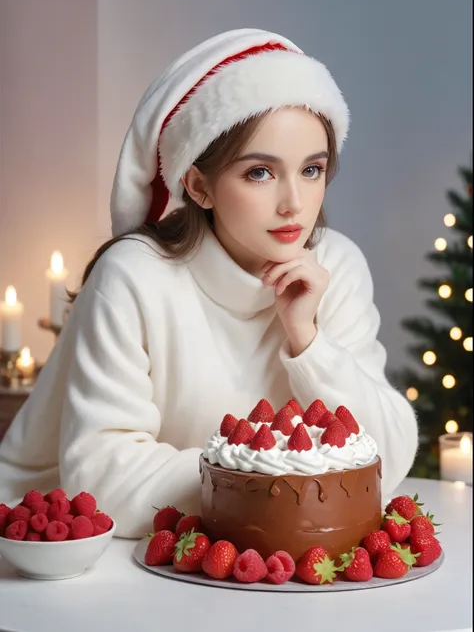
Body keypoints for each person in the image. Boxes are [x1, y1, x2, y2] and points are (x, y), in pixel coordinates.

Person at [0, 29, 418, 537]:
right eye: (260, 173)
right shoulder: (134, 276)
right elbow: (101, 479)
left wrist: (309, 342)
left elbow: (390, 461)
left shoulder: (337, 266)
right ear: (199, 186)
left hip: (261, 557)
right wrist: (280, 484)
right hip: (102, 562)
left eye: (312, 170)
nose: (294, 203)